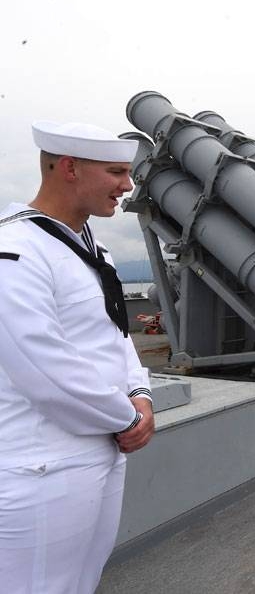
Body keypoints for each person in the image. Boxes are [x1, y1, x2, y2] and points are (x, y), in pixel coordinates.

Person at [0, 120, 155, 592]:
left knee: (82, 582)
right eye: (115, 172)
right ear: (69, 168)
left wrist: (140, 393)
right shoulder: (16, 250)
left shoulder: (93, 248)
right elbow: (43, 369)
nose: (127, 186)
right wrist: (127, 417)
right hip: (44, 466)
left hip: (102, 450)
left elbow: (115, 333)